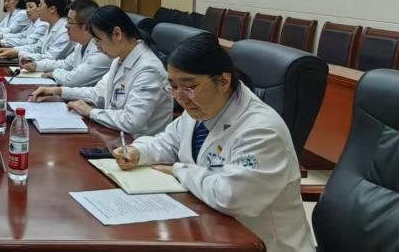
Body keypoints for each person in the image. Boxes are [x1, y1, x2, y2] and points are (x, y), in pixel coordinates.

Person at [116, 35, 314, 252]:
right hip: (211, 228)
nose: (180, 97)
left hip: (261, 244)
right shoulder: (200, 107)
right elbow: (169, 142)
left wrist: (180, 170)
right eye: (173, 86)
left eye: (189, 86)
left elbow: (232, 197)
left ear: (224, 81)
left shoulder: (261, 130)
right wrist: (138, 151)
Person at [30, 5, 171, 137]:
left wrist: (91, 112)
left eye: (98, 40)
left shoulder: (148, 69)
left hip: (137, 145)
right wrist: (59, 91)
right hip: (116, 136)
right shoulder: (120, 58)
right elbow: (97, 93)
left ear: (117, 34)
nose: (97, 47)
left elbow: (132, 121)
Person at [20, 0, 110, 87]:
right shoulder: (80, 45)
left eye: (70, 21)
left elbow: (73, 80)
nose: (66, 26)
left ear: (86, 27)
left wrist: (53, 74)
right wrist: (37, 65)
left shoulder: (101, 50)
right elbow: (65, 64)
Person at [0, 0, 73, 61]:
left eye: (40, 5)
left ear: (52, 9)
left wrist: (18, 53)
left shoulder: (64, 30)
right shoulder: (51, 26)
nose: (38, 9)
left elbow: (50, 58)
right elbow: (38, 47)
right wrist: (14, 50)